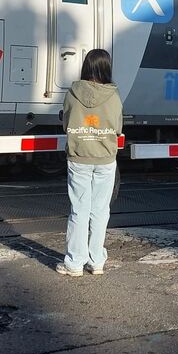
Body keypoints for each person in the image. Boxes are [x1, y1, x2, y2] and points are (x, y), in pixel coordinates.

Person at [57, 49, 122, 277]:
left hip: (79, 157)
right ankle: (96, 261)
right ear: (107, 67)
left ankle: (74, 263)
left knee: (79, 210)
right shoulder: (113, 96)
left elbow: (66, 125)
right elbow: (118, 128)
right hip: (105, 159)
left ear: (85, 66)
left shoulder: (72, 93)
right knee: (100, 210)